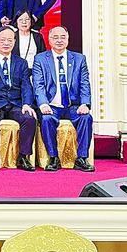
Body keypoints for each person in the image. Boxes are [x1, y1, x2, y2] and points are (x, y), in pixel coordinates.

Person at [33, 26, 94, 172]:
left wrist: (85, 103)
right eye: (55, 37)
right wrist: (43, 104)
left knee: (86, 118)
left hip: (73, 105)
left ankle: (81, 158)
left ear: (68, 39)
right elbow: (38, 84)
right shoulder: (40, 59)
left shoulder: (79, 59)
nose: (59, 40)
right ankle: (53, 158)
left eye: (63, 37)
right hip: (51, 105)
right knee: (46, 119)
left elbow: (84, 83)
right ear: (49, 40)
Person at [0, 26, 37, 172]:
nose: (6, 43)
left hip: (16, 104)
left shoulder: (21, 63)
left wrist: (27, 104)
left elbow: (26, 85)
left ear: (14, 42)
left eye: (10, 40)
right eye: (3, 40)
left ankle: (23, 157)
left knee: (29, 118)